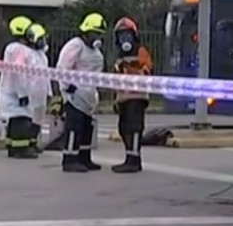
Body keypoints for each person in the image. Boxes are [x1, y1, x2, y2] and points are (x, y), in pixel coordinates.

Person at [56, 12, 108, 173]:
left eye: (100, 34)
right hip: (75, 96)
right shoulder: (75, 45)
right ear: (86, 31)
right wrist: (67, 86)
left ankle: (84, 158)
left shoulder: (95, 52)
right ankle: (69, 159)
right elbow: (63, 67)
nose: (97, 37)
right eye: (95, 33)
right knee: (74, 128)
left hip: (89, 97)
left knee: (87, 129)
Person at [110, 17, 153, 174]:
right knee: (123, 128)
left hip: (137, 96)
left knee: (134, 128)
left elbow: (148, 69)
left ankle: (134, 160)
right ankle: (129, 157)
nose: (124, 39)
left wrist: (133, 67)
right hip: (123, 98)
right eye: (121, 35)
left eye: (127, 34)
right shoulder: (119, 56)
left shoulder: (141, 51)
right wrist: (115, 99)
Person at [0, 15, 38, 159]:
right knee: (21, 121)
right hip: (16, 94)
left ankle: (13, 148)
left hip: (13, 93)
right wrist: (23, 94)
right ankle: (21, 149)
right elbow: (18, 72)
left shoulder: (15, 48)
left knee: (16, 120)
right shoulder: (19, 49)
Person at [25, 23, 52, 153]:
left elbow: (46, 75)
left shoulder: (42, 56)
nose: (43, 42)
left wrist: (49, 91)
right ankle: (28, 143)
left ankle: (34, 142)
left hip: (41, 91)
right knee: (31, 118)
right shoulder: (28, 54)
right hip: (32, 91)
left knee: (39, 119)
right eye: (41, 39)